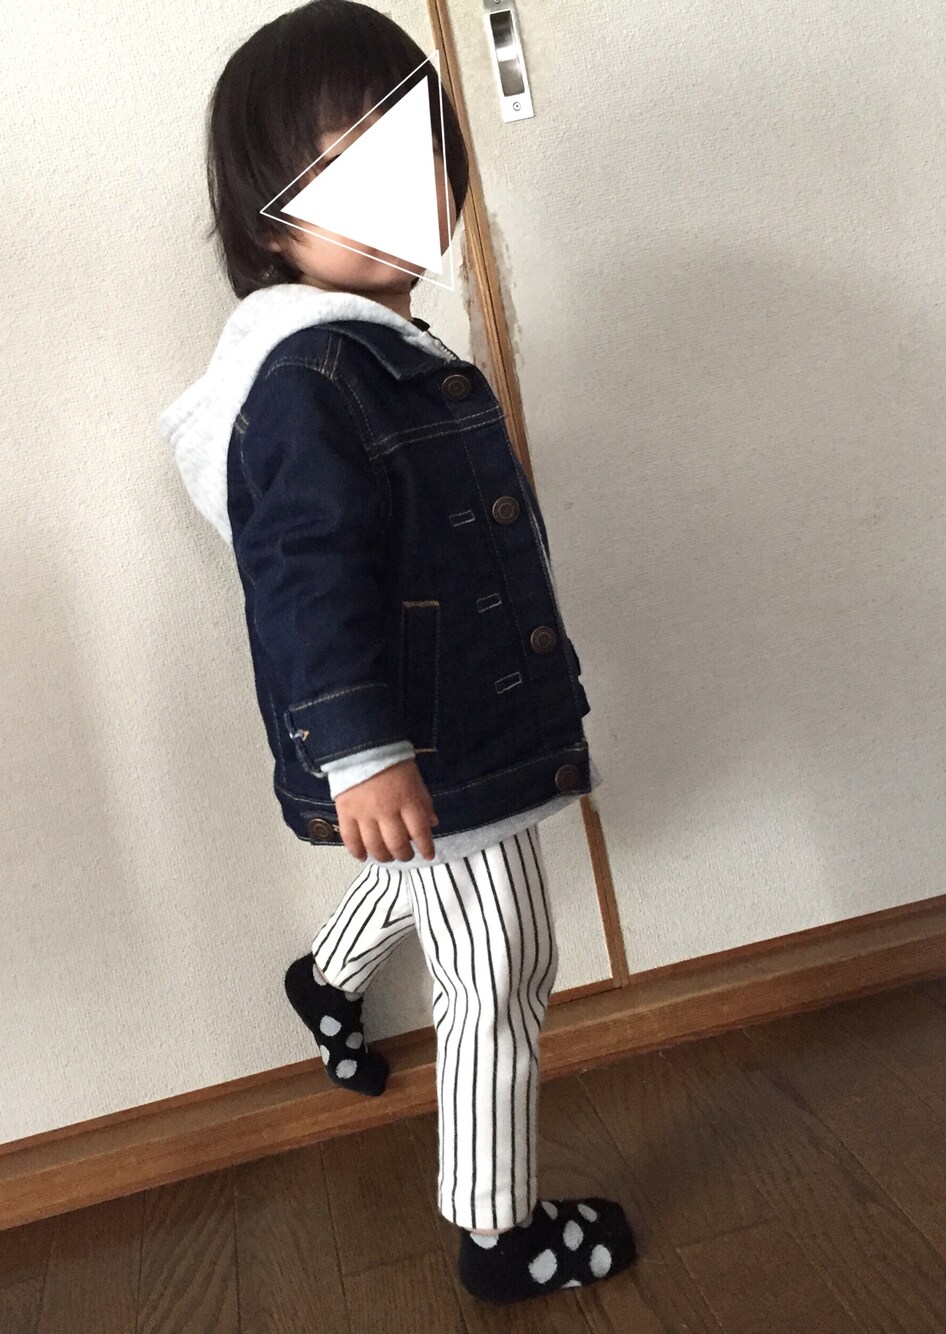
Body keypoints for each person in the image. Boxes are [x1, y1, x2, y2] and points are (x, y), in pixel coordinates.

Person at [156, 0, 636, 1304]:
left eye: (413, 151)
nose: (395, 193)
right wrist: (363, 752)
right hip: (424, 735)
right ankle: (500, 1229)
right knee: (502, 966)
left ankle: (326, 980)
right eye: (341, 169)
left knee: (435, 877)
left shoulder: (371, 348)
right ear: (269, 218)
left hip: (442, 729)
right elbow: (302, 578)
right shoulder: (310, 378)